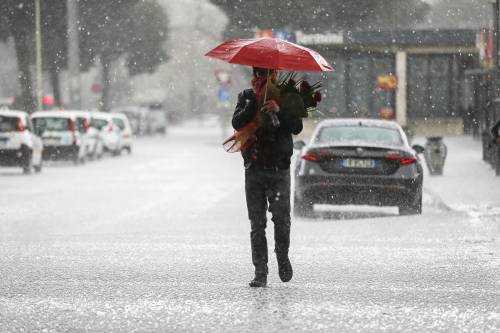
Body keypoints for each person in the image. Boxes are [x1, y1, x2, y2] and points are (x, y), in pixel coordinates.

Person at [232, 67, 304, 287]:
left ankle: (282, 257)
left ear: (275, 74)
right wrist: (254, 104)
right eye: (259, 74)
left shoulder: (288, 95)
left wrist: (279, 109)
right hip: (254, 168)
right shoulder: (246, 96)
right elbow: (237, 123)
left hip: (279, 169)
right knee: (257, 224)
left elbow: (297, 127)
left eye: (267, 74)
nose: (263, 78)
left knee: (281, 220)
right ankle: (260, 271)